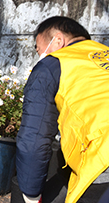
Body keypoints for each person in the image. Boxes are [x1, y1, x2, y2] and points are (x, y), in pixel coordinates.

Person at [16, 16, 109, 203]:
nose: (41, 56)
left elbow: (34, 139)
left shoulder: (53, 65)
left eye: (40, 50)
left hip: (102, 158)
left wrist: (31, 194)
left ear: (58, 40)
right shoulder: (103, 52)